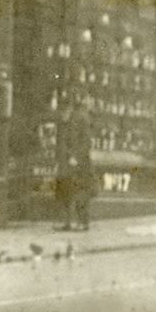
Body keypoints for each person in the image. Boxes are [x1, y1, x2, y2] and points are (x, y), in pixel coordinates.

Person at [55, 97, 93, 230]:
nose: (62, 113)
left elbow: (86, 142)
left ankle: (83, 222)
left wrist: (76, 157)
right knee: (65, 191)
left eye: (64, 109)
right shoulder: (63, 122)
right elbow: (61, 142)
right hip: (65, 162)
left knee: (80, 192)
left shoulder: (81, 118)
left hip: (79, 163)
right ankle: (68, 222)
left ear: (70, 107)